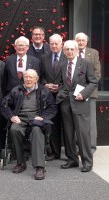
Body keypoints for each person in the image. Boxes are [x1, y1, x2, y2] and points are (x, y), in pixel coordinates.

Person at [1, 69, 57, 180]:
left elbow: (52, 107)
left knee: (37, 131)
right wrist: (12, 116)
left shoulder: (43, 91)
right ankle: (21, 163)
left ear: (36, 79)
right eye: (26, 77)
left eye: (31, 77)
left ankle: (39, 167)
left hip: (37, 119)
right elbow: (4, 105)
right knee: (14, 129)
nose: (28, 79)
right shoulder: (17, 90)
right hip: (20, 119)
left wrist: (43, 117)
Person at [56, 40, 98, 172]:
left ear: (76, 50)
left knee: (83, 135)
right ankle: (72, 160)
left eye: (71, 49)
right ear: (64, 51)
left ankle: (87, 162)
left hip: (80, 103)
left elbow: (93, 82)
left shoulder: (85, 63)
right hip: (66, 104)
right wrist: (60, 91)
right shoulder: (62, 65)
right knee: (68, 134)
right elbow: (62, 83)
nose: (69, 51)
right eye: (67, 49)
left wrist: (84, 94)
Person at [40, 33, 67, 160]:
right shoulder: (44, 57)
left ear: (61, 44)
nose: (54, 46)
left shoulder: (68, 56)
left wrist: (60, 86)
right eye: (52, 44)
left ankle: (70, 154)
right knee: (54, 125)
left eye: (57, 43)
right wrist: (45, 84)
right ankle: (55, 153)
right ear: (48, 44)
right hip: (50, 97)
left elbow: (71, 77)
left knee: (68, 126)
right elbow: (42, 75)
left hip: (65, 96)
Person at [75, 32, 101, 154]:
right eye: (78, 40)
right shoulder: (71, 52)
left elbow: (97, 74)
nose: (80, 42)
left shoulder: (93, 53)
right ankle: (77, 146)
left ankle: (91, 147)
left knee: (90, 121)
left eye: (83, 40)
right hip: (75, 92)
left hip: (90, 92)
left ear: (87, 41)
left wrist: (85, 90)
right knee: (76, 119)